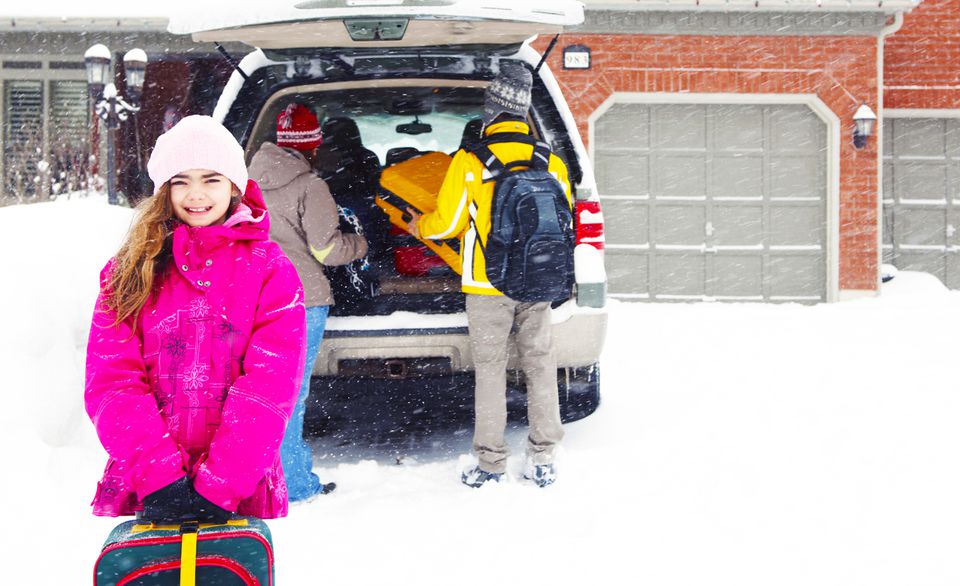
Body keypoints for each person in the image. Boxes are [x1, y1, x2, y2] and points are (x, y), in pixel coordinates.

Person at [85, 115, 307, 522]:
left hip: (236, 486)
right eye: (180, 181)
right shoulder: (130, 269)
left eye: (211, 179)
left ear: (234, 186)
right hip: (150, 483)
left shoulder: (270, 270)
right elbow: (112, 380)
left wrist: (221, 482)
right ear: (163, 190)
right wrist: (159, 476)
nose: (196, 194)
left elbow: (270, 385)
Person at [407, 64, 572, 488]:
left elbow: (445, 224)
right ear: (524, 114)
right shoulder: (549, 160)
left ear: (491, 112)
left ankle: (491, 462)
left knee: (491, 369)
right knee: (540, 364)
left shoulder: (470, 161)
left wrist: (417, 226)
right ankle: (543, 455)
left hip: (487, 283)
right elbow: (563, 220)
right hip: (538, 279)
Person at [248, 103, 368, 502]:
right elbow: (328, 249)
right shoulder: (311, 185)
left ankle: (260, 475)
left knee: (265, 389)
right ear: (313, 144)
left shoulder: (245, 180)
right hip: (301, 298)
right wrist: (363, 244)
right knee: (294, 392)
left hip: (257, 296)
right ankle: (294, 484)